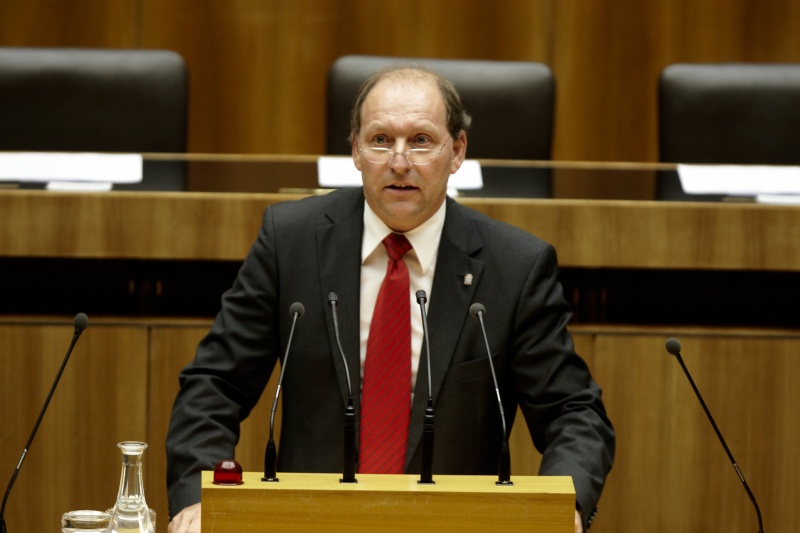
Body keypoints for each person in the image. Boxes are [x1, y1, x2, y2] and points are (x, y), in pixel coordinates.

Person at [166, 64, 615, 533]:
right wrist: (198, 500)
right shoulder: (291, 242)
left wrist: (565, 507)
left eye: (421, 140)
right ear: (356, 149)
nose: (400, 161)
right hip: (306, 523)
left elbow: (573, 412)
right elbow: (214, 385)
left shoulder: (515, 267)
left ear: (457, 150)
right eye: (380, 140)